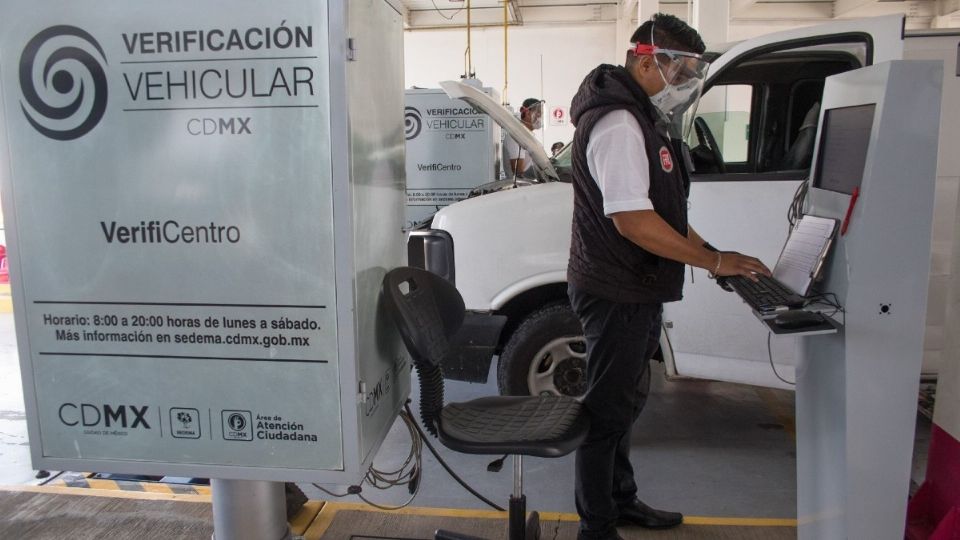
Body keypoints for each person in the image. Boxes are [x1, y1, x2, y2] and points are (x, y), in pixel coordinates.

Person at [566, 14, 771, 540]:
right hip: (616, 286)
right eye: (678, 72)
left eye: (689, 75)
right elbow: (631, 220)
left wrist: (714, 252)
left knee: (627, 402)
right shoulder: (617, 123)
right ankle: (597, 525)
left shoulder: (639, 117)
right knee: (605, 410)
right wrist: (712, 263)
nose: (682, 85)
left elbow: (662, 210)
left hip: (632, 284)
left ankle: (621, 499)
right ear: (645, 59)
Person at [503, 97, 543, 178]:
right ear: (528, 113)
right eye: (538, 113)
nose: (540, 117)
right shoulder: (516, 136)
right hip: (520, 187)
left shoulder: (527, 135)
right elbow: (518, 172)